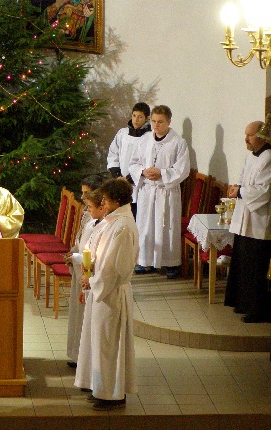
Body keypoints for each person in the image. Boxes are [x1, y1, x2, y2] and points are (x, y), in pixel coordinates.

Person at [74, 179, 139, 411]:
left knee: (110, 345)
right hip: (102, 289)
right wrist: (90, 271)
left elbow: (114, 268)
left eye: (105, 199)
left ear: (116, 200)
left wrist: (92, 280)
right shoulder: (113, 221)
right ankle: (100, 388)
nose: (102, 203)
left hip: (111, 293)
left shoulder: (123, 227)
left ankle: (112, 394)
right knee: (100, 343)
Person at [128, 105, 190, 279]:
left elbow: (182, 170)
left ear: (169, 122)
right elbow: (133, 163)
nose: (156, 125)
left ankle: (171, 263)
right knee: (145, 226)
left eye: (160, 122)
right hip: (147, 191)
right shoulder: (145, 140)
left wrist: (161, 173)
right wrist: (142, 171)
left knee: (167, 226)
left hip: (166, 192)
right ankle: (145, 261)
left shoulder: (178, 142)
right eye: (154, 121)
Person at [224, 120, 271, 323]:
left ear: (261, 136)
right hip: (244, 217)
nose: (246, 139)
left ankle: (258, 310)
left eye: (250, 135)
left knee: (255, 267)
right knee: (243, 264)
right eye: (246, 134)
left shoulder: (269, 157)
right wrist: (236, 187)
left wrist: (241, 191)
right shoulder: (251, 156)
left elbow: (265, 190)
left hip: (258, 220)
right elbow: (243, 179)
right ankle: (242, 303)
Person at [64, 185, 106, 369]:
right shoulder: (89, 218)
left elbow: (95, 253)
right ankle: (77, 355)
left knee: (85, 319)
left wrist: (76, 257)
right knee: (77, 316)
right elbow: (81, 242)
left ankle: (84, 359)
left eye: (87, 195)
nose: (83, 198)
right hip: (80, 270)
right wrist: (73, 252)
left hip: (88, 275)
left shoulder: (103, 224)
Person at [106, 102, 152, 219]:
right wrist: (118, 176)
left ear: (147, 118)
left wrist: (129, 179)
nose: (136, 120)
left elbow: (148, 162)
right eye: (134, 115)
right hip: (120, 181)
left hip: (138, 185)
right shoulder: (122, 133)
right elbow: (113, 154)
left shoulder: (150, 137)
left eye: (140, 117)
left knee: (135, 217)